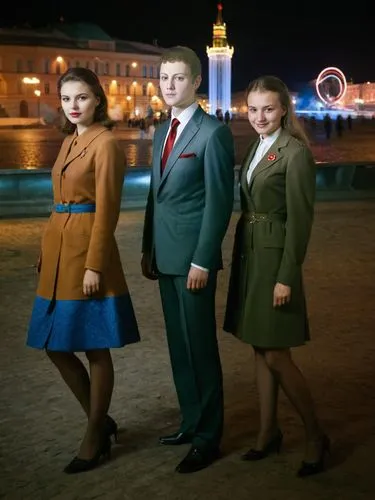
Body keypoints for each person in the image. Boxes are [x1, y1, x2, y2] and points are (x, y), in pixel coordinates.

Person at [26, 67, 140, 474]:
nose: (74, 106)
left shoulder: (105, 143)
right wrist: (46, 247)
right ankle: (101, 419)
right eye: (67, 99)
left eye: (82, 98)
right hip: (59, 251)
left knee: (94, 346)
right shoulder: (70, 139)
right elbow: (59, 202)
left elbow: (107, 211)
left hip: (87, 255)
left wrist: (95, 265)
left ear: (98, 100)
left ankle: (94, 434)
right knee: (54, 344)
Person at [224, 75, 330, 477]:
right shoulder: (256, 146)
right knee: (257, 345)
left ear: (284, 108)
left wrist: (287, 275)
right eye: (252, 109)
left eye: (268, 108)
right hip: (250, 254)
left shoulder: (295, 153)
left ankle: (315, 434)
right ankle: (267, 433)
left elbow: (301, 222)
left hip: (274, 261)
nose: (259, 116)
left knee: (275, 353)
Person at [141, 46, 235, 474]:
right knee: (179, 347)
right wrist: (149, 249)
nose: (169, 86)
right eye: (164, 78)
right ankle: (190, 421)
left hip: (194, 261)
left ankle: (208, 436)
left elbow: (219, 203)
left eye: (178, 78)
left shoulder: (213, 133)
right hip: (166, 255)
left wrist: (203, 260)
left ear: (197, 82)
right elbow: (154, 198)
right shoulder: (163, 131)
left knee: (200, 347)